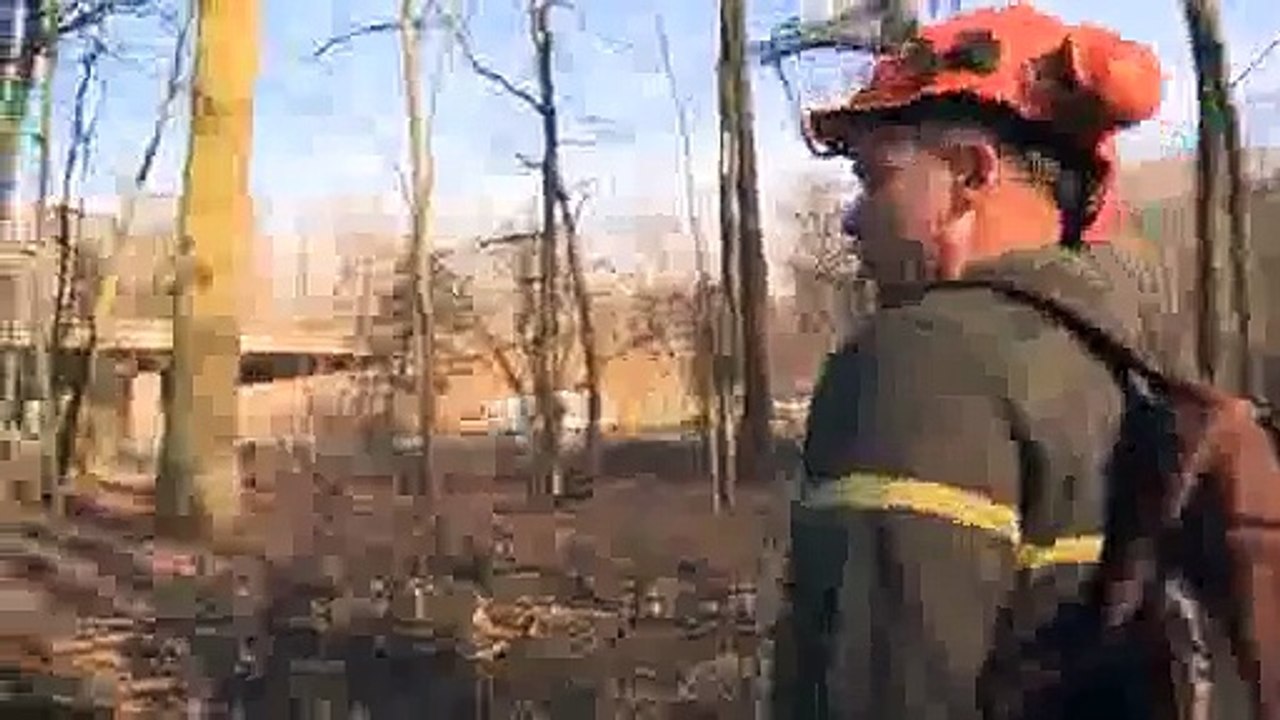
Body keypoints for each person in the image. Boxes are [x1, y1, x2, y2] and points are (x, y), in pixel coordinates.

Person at [777, 5, 1251, 719]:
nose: (850, 217)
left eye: (874, 177)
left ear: (969, 174)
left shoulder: (922, 363)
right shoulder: (1136, 369)